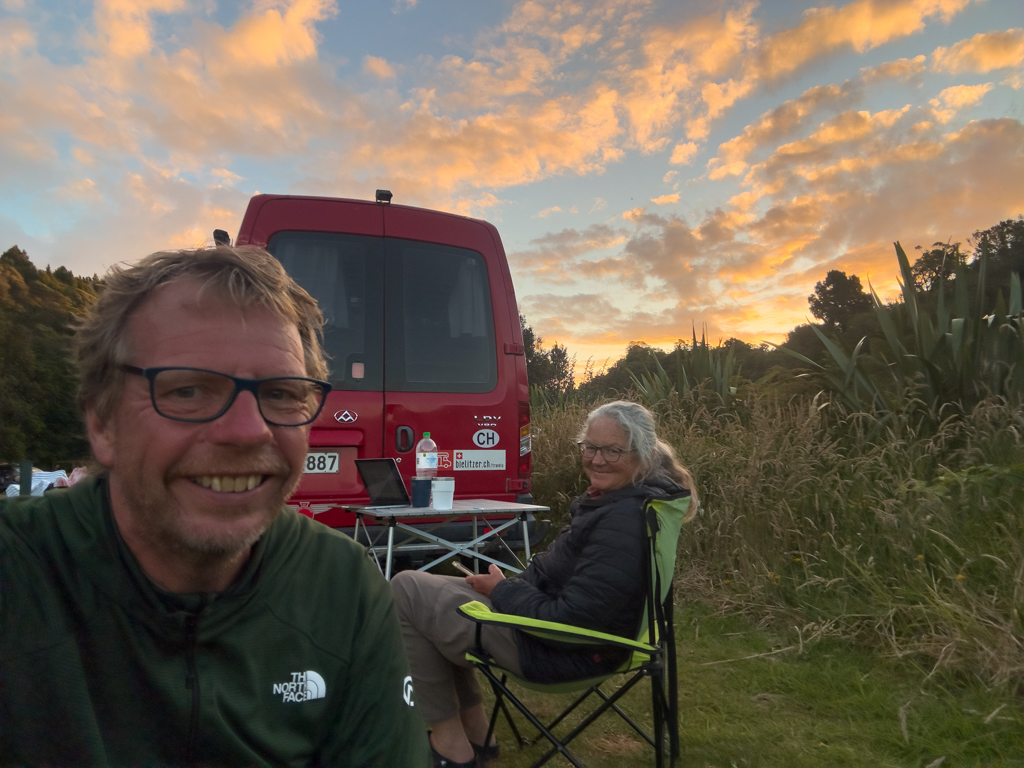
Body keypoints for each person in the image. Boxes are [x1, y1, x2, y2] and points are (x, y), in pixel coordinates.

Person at [0, 246, 430, 766]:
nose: (249, 430)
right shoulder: (18, 574)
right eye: (186, 391)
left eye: (281, 394)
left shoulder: (343, 589)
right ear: (102, 423)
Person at [391, 400, 697, 767]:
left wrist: (504, 591)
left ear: (642, 455)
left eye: (613, 451)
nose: (597, 460)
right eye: (590, 447)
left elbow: (573, 620)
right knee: (428, 589)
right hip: (556, 632)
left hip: (559, 648)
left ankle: (452, 745)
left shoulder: (623, 521)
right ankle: (475, 735)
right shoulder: (625, 503)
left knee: (406, 589)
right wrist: (507, 586)